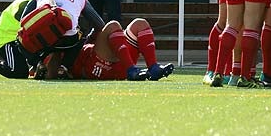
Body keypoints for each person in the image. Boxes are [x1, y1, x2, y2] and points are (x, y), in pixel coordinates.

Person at [0, 0, 106, 79]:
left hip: (32, 34)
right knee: (18, 72)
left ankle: (38, 64)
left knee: (48, 35)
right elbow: (23, 24)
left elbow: (26, 19)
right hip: (8, 35)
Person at [47, 18, 175, 81]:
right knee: (113, 25)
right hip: (95, 66)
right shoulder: (51, 33)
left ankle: (153, 68)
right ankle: (132, 71)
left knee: (140, 23)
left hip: (118, 62)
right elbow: (48, 70)